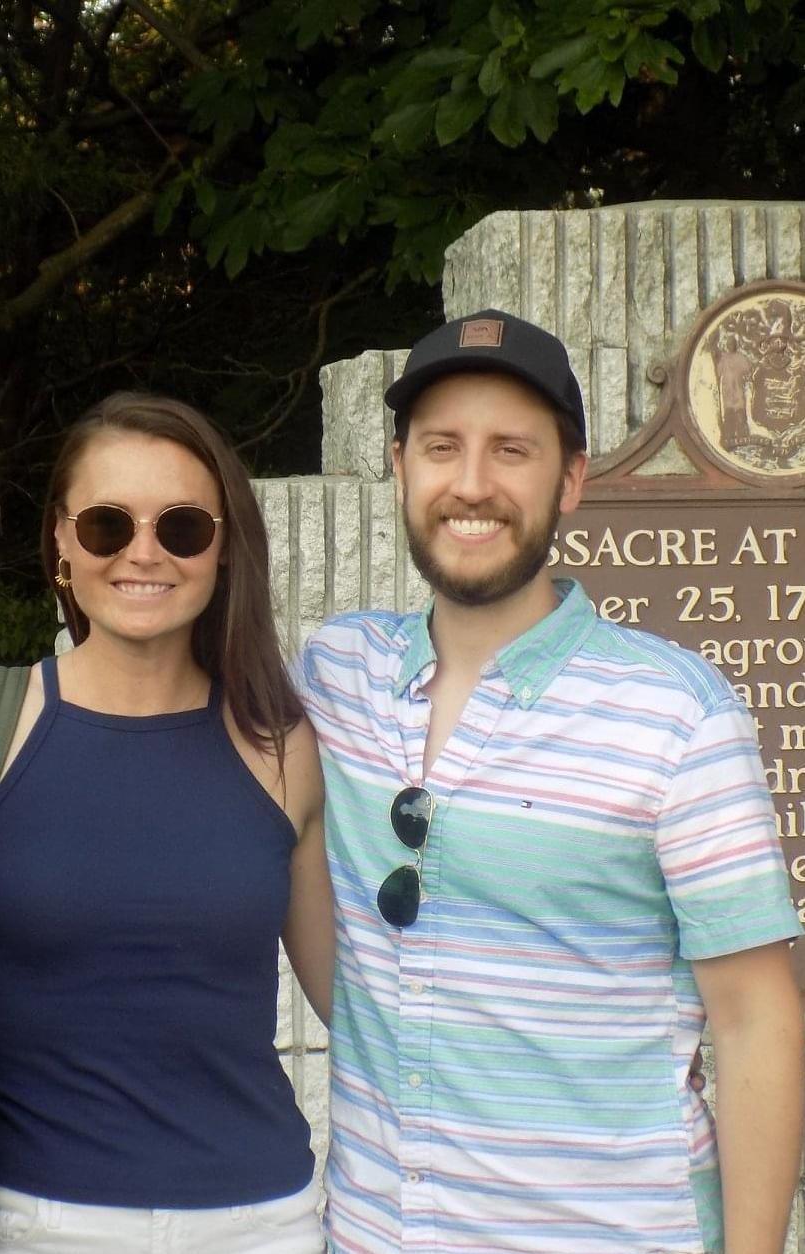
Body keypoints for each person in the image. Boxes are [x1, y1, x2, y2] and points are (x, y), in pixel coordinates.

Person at [298, 309, 805, 1253]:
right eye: (443, 446)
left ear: (570, 480)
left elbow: (755, 1022)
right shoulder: (337, 675)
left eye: (513, 451)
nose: (473, 484)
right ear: (401, 466)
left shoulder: (679, 715)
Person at [0, 392, 333, 1253]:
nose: (143, 553)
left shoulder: (280, 745)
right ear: (61, 544)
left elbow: (355, 997)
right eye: (108, 524)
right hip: (33, 1216)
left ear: (224, 549)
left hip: (261, 1219)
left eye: (183, 526)